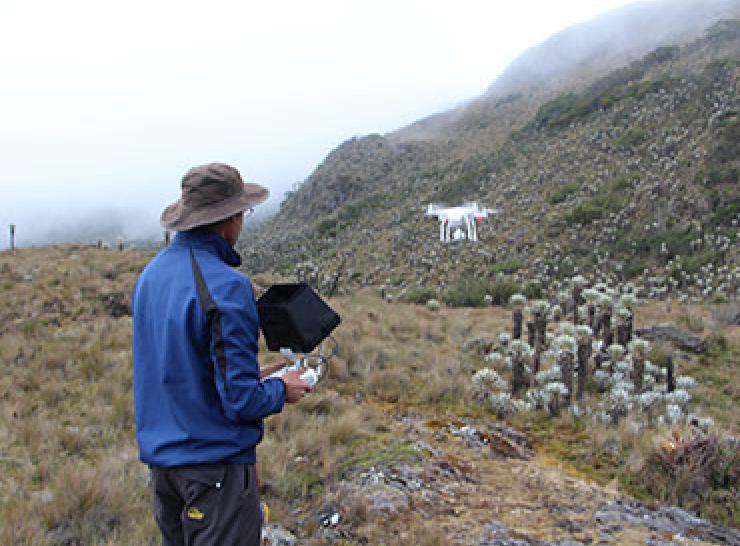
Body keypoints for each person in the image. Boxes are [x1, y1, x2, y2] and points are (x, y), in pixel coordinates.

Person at [132, 163, 312, 546]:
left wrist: (254, 373)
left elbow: (177, 365)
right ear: (229, 218)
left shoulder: (151, 276)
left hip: (164, 468)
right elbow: (241, 402)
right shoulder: (227, 286)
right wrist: (284, 390)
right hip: (215, 470)